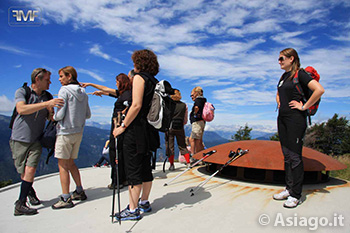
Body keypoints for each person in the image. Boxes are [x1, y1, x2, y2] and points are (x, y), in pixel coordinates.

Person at [273, 48, 324, 208]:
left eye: (282, 58)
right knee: (287, 156)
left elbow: (319, 90)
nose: (279, 62)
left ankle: (296, 194)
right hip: (282, 119)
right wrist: (279, 101)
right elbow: (279, 91)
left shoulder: (300, 74)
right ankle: (289, 188)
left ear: (291, 58)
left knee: (295, 156)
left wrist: (304, 107)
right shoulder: (284, 76)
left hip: (296, 119)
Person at [10, 68, 64, 216]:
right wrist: (46, 104)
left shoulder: (47, 96)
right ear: (38, 80)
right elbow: (21, 109)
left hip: (36, 139)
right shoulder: (22, 92)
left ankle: (20, 204)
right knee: (23, 172)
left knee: (30, 170)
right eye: (47, 80)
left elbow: (49, 117)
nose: (50, 82)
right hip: (19, 138)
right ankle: (30, 193)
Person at [113, 49, 160, 221]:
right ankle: (144, 202)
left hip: (136, 130)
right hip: (150, 129)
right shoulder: (155, 81)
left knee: (133, 168)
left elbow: (137, 105)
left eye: (134, 62)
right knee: (145, 167)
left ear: (139, 62)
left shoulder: (140, 78)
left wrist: (122, 126)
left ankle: (132, 210)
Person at [81, 73, 132, 189]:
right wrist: (92, 85)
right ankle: (123, 179)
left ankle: (116, 181)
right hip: (120, 125)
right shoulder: (125, 93)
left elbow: (128, 106)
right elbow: (107, 90)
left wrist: (91, 85)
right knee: (119, 152)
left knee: (115, 152)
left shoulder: (126, 95)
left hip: (118, 126)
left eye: (117, 81)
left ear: (121, 82)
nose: (115, 83)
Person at [51, 66, 91, 209]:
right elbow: (88, 114)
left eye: (61, 76)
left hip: (65, 132)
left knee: (62, 165)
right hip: (78, 132)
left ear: (70, 76)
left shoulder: (63, 91)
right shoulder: (84, 93)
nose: (60, 79)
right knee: (71, 163)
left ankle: (65, 197)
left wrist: (53, 116)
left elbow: (60, 114)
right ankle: (79, 190)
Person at [165, 89, 190, 170]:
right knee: (182, 145)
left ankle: (171, 165)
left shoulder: (168, 104)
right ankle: (188, 163)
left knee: (170, 146)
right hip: (180, 127)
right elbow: (185, 118)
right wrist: (183, 123)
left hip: (169, 127)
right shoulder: (184, 105)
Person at [189, 86, 206, 156]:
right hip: (201, 121)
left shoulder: (198, 100)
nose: (191, 96)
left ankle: (195, 155)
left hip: (197, 122)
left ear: (196, 93)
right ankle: (201, 155)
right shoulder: (203, 100)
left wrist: (195, 113)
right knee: (198, 140)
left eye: (192, 94)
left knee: (194, 139)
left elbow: (196, 107)